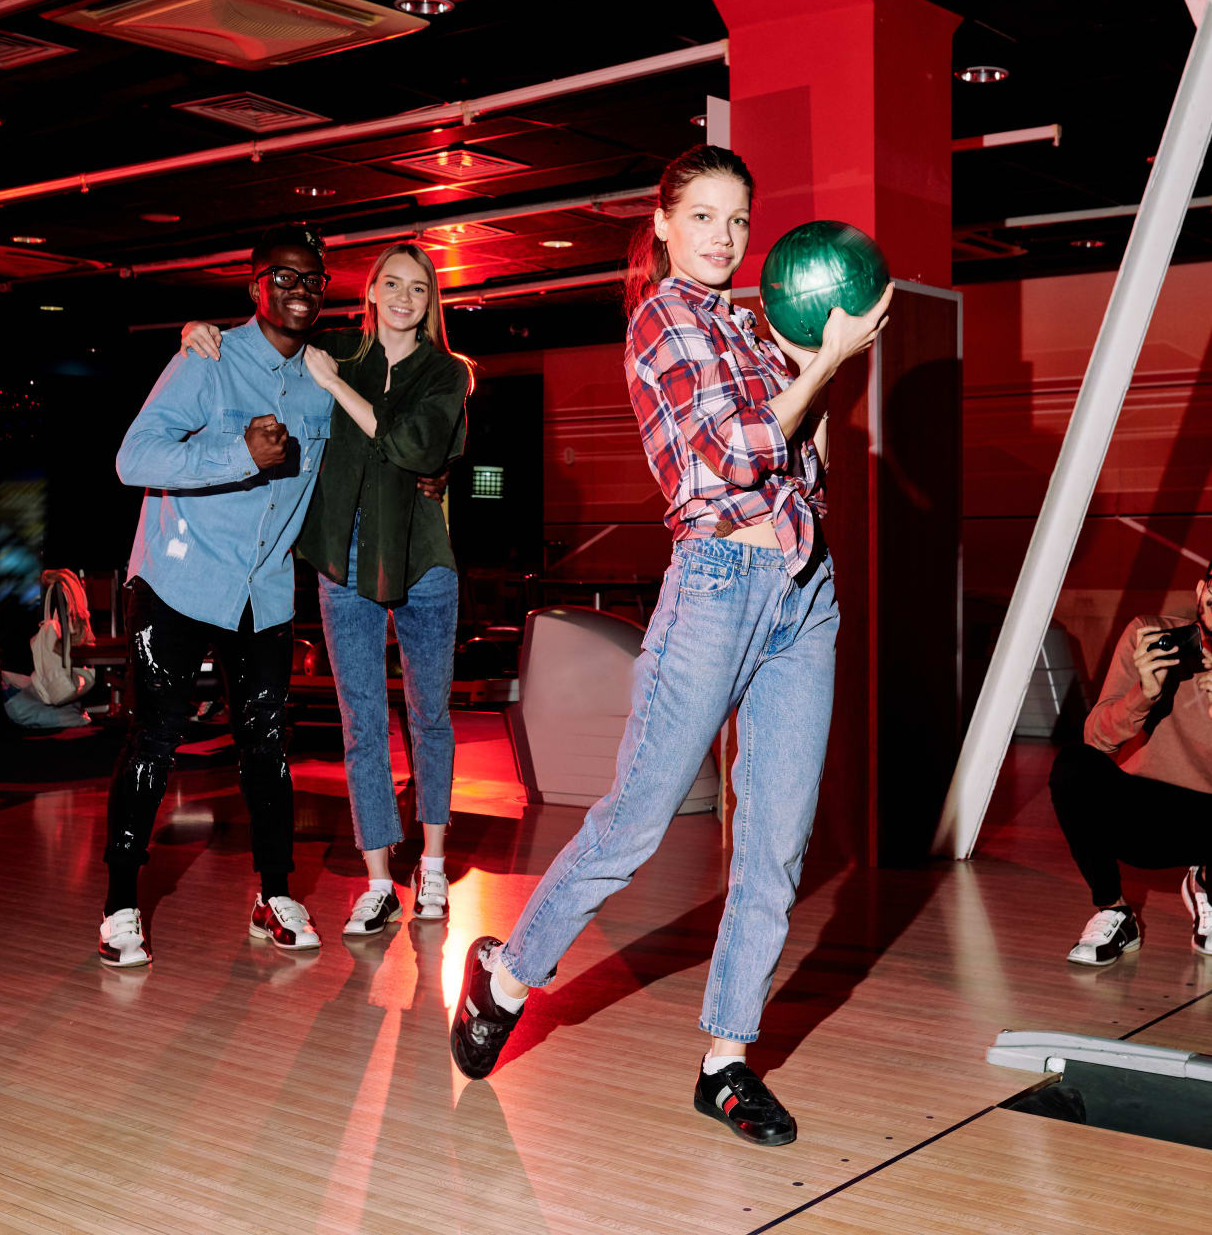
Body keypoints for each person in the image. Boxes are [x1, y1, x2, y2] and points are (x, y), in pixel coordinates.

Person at [446, 145, 892, 1148]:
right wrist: (829, 358)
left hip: (801, 594)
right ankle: (507, 971)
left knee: (776, 842)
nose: (724, 238)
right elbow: (735, 452)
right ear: (662, 225)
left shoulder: (747, 325)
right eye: (703, 217)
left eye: (738, 220)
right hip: (716, 591)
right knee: (635, 822)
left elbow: (802, 460)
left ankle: (726, 1063)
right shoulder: (664, 319)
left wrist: (815, 374)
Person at [181, 244, 468, 941]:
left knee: (429, 717)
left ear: (431, 301)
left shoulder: (445, 372)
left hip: (425, 565)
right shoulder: (329, 347)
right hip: (343, 567)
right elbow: (262, 362)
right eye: (391, 283)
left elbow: (417, 450)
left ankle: (431, 861)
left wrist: (340, 388)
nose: (404, 296)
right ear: (369, 291)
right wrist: (198, 335)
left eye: (418, 288)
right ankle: (377, 883)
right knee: (361, 726)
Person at [98, 224, 337, 968]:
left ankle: (273, 894)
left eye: (312, 280)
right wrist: (237, 454)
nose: (299, 292)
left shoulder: (326, 379)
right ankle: (120, 906)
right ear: (254, 286)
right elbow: (133, 458)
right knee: (153, 742)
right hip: (179, 576)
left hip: (262, 590)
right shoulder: (207, 359)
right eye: (284, 278)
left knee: (268, 746)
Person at [1050, 541, 1212, 966]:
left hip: (1211, 819)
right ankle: (1113, 909)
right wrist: (1141, 696)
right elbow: (1096, 740)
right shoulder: (1148, 635)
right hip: (1137, 806)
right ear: (1201, 589)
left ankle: (1209, 887)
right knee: (1074, 767)